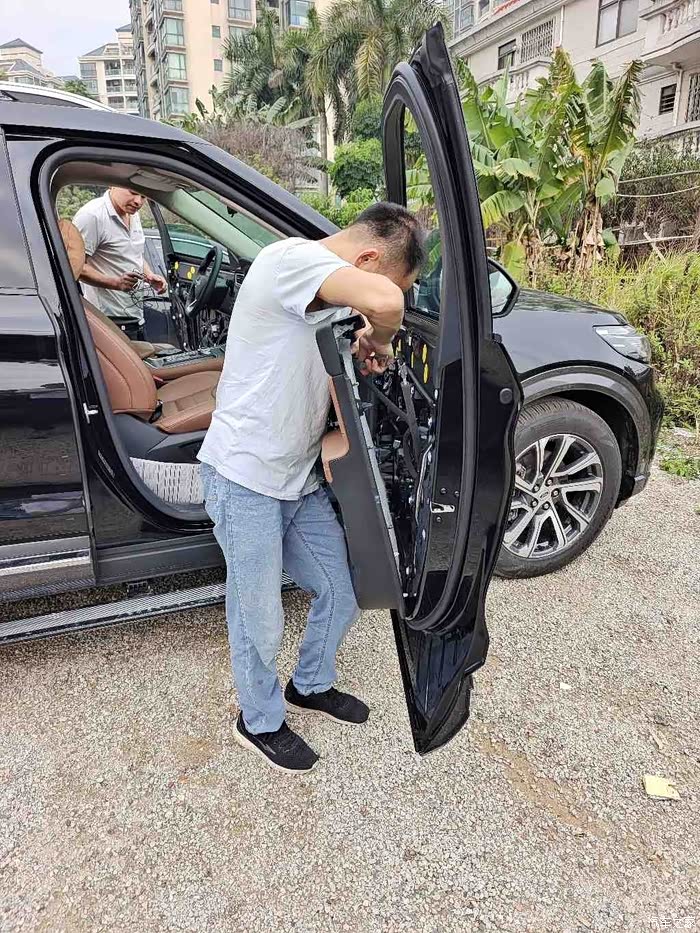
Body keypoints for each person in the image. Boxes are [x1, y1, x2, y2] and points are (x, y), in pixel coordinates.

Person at [198, 202, 426, 774]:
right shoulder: (291, 260)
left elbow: (325, 370)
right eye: (391, 278)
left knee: (342, 589)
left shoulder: (324, 292)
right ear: (367, 259)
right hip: (245, 477)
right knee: (258, 615)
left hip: (295, 477)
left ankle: (310, 684)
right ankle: (259, 720)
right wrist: (382, 338)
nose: (377, 300)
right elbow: (387, 302)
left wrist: (349, 432)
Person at [73, 187, 167, 339]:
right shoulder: (92, 216)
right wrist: (116, 283)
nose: (138, 202)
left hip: (135, 317)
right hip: (107, 322)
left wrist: (149, 275)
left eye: (143, 196)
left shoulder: (132, 213)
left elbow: (134, 254)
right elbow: (75, 266)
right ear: (112, 185)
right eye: (133, 192)